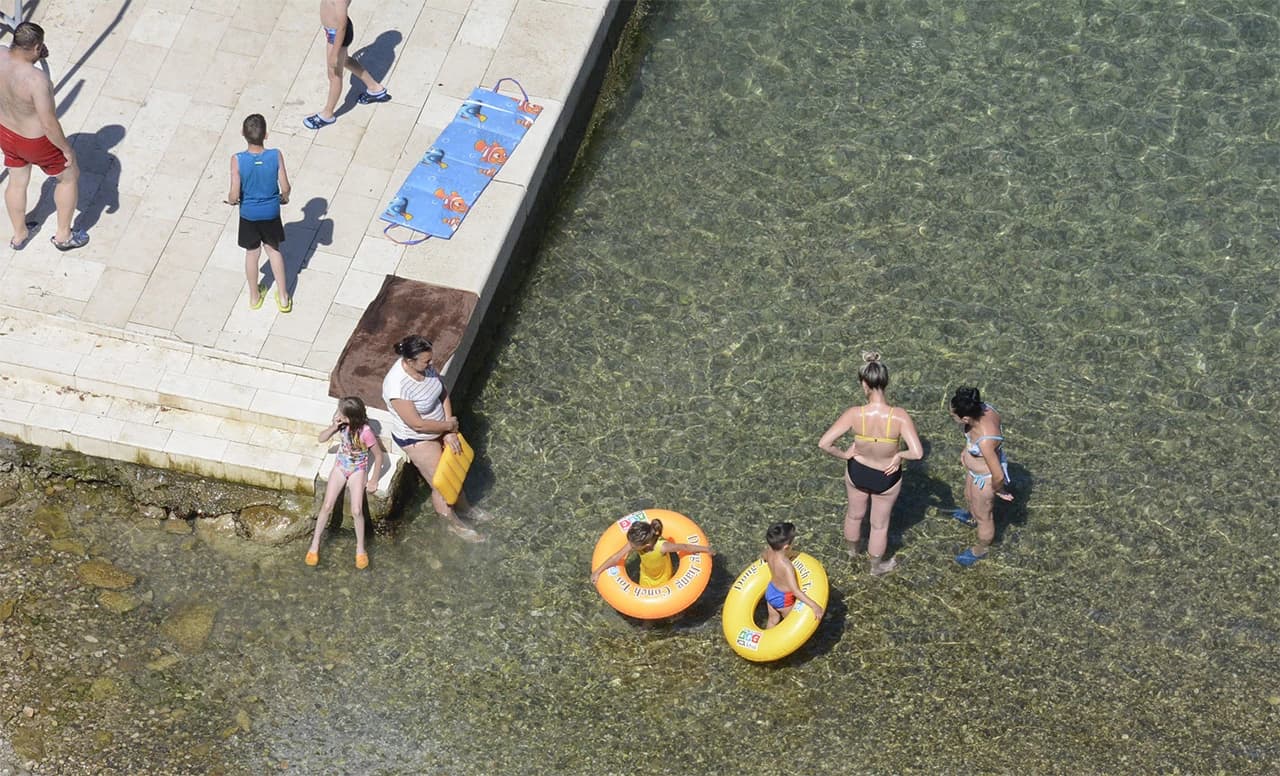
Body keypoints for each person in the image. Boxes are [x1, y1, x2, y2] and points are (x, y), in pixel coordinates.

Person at [818, 351, 924, 576]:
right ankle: (876, 568)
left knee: (854, 516)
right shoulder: (899, 416)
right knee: (879, 526)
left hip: (858, 471)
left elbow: (825, 444)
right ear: (885, 382)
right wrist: (899, 456)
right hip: (886, 476)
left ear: (864, 384)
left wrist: (845, 455)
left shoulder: (855, 414)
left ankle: (851, 555)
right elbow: (917, 453)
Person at [381, 335, 489, 542]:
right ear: (410, 362)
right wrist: (448, 426)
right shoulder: (397, 386)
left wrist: (448, 431)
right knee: (442, 485)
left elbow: (442, 393)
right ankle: (453, 525)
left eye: (431, 359)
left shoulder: (425, 367)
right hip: (417, 438)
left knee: (454, 474)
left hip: (442, 427)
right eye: (427, 361)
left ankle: (466, 509)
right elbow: (416, 424)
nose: (432, 364)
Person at [0, 22, 87, 251]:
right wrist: (66, 149)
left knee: (17, 181)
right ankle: (63, 236)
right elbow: (48, 123)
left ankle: (19, 235)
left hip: (6, 132)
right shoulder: (37, 80)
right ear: (37, 47)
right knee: (69, 176)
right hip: (35, 140)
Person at [306, 397, 384, 569]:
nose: (338, 414)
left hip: (357, 470)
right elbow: (321, 438)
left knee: (356, 510)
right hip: (341, 467)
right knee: (327, 505)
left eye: (342, 413)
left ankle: (360, 548)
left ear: (352, 417)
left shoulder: (366, 432)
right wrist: (334, 426)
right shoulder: (340, 423)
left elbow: (379, 456)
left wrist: (374, 479)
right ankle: (315, 543)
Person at [226, 114, 291, 312]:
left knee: (252, 253)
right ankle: (283, 297)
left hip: (249, 214)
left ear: (243, 134)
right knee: (273, 250)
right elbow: (286, 186)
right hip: (271, 211)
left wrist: (231, 200)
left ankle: (254, 297)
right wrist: (284, 198)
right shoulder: (275, 155)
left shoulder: (237, 160)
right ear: (266, 135)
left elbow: (234, 192)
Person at [949, 387, 1013, 567]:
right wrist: (967, 450)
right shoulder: (981, 408)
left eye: (954, 417)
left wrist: (998, 489)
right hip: (974, 471)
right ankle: (971, 517)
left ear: (966, 418)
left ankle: (981, 549)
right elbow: (972, 437)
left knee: (984, 516)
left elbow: (998, 474)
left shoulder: (986, 440)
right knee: (969, 498)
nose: (953, 418)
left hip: (984, 479)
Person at [303, 0, 391, 129]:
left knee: (334, 75)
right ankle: (375, 88)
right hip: (332, 32)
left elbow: (342, 26)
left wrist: (335, 52)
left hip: (337, 36)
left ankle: (327, 114)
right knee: (345, 61)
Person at [589, 517, 716, 585]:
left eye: (633, 545)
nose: (631, 547)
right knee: (646, 612)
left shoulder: (662, 546)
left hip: (663, 577)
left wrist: (706, 549)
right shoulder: (635, 543)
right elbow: (616, 557)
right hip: (646, 575)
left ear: (647, 544)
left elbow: (684, 547)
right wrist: (597, 572)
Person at [761, 522, 824, 628]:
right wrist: (815, 606)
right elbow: (795, 591)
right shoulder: (786, 566)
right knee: (789, 624)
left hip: (771, 591)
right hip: (783, 599)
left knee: (773, 619)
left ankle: (765, 639)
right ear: (786, 547)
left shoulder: (769, 552)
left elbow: (763, 557)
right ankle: (782, 643)